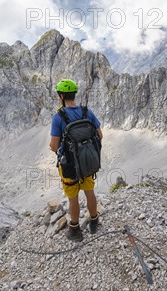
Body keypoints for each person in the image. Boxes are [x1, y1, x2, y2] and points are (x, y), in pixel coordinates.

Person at [49, 79, 103, 242]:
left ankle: (75, 229)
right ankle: (94, 221)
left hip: (70, 167)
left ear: (62, 96)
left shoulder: (58, 117)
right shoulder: (87, 112)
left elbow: (54, 145)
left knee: (73, 197)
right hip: (87, 162)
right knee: (89, 191)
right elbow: (100, 135)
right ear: (74, 94)